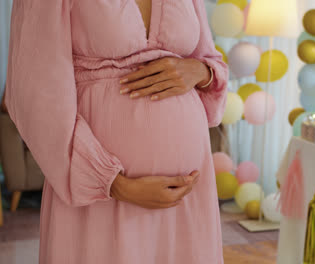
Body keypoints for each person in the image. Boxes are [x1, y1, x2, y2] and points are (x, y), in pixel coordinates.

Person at [5, 0, 228, 263]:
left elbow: (208, 59)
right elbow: (35, 91)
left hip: (186, 195)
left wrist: (202, 72)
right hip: (97, 196)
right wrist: (112, 183)